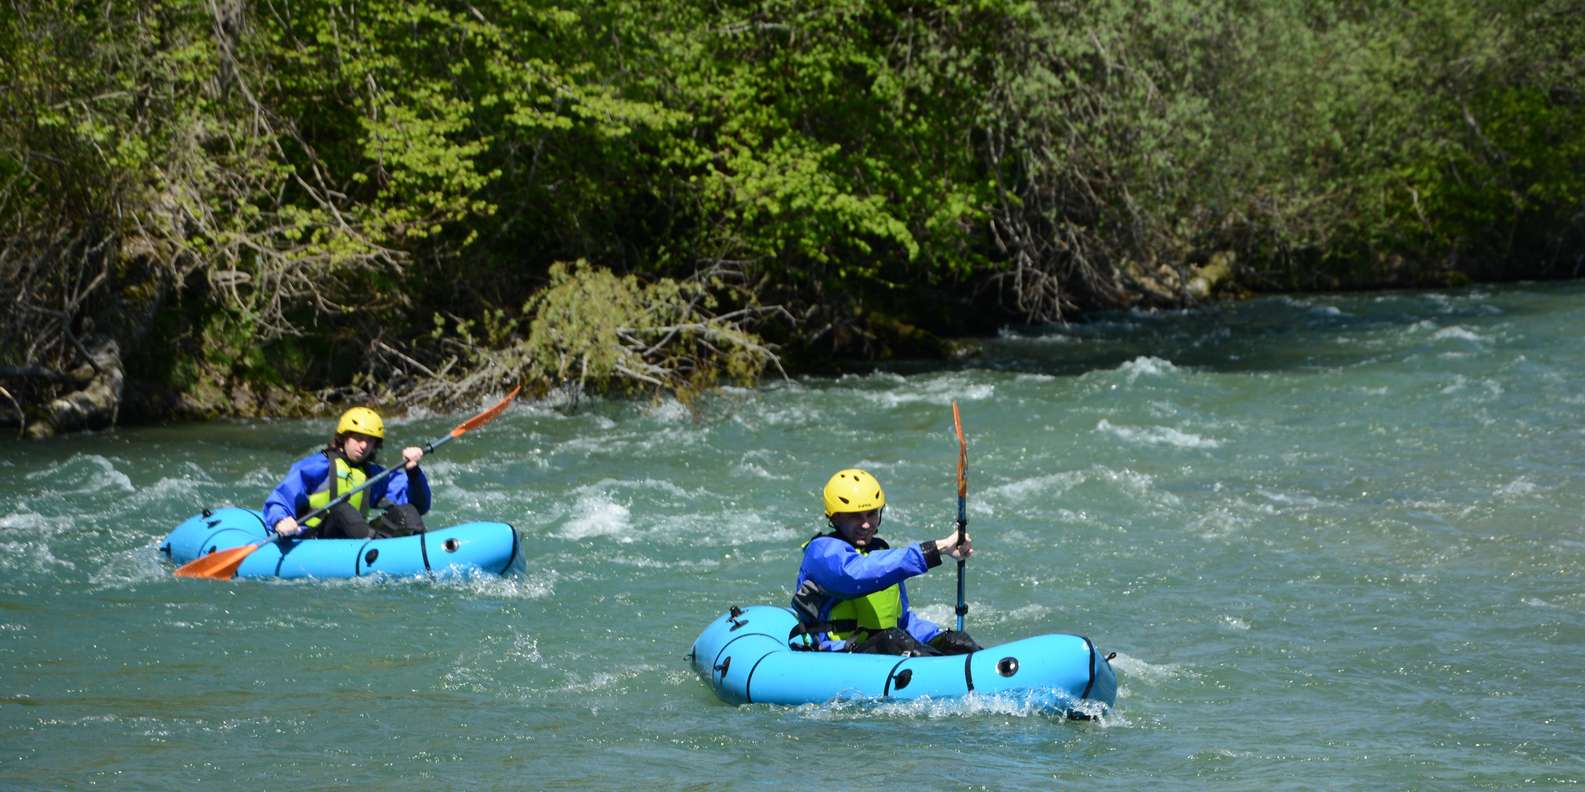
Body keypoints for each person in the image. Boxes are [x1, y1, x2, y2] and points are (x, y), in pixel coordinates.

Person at [790, 468, 981, 656]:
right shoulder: (821, 552)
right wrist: (936, 549)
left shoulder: (880, 552)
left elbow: (903, 620)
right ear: (835, 517)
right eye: (855, 516)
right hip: (838, 652)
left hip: (886, 645)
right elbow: (856, 574)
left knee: (957, 642)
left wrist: (938, 637)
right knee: (894, 641)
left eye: (871, 514)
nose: (866, 524)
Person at [264, 407, 430, 539]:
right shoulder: (318, 466)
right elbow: (280, 499)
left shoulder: (374, 474)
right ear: (344, 437)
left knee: (407, 511)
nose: (364, 446)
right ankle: (374, 546)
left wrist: (413, 472)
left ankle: (419, 548)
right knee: (340, 507)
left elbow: (418, 506)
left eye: (370, 440)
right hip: (316, 536)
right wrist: (280, 520)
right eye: (358, 438)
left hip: (359, 537)